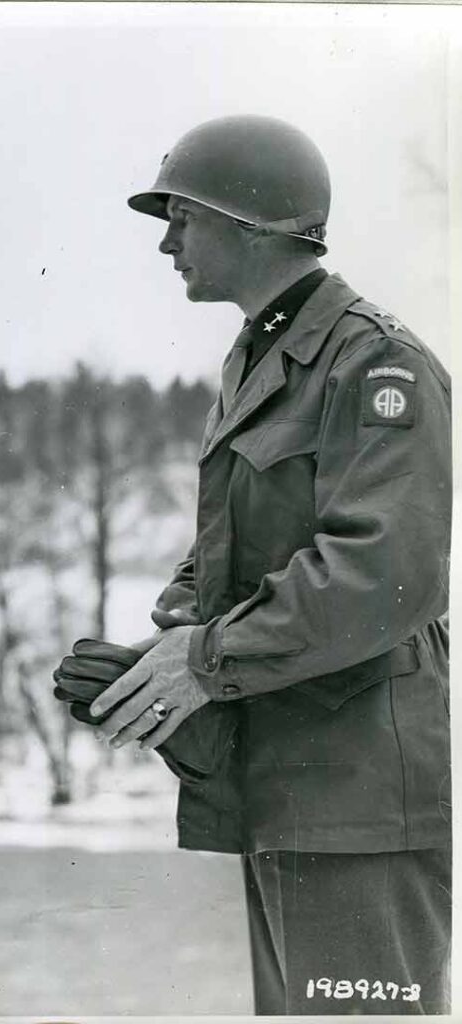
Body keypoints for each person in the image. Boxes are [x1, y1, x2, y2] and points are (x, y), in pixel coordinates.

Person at [54, 115, 450, 1015]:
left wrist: (201, 661)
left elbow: (382, 575)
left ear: (250, 222)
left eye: (181, 218)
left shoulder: (372, 360)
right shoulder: (264, 355)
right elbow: (238, 549)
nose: (165, 242)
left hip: (359, 797)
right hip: (294, 781)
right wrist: (167, 644)